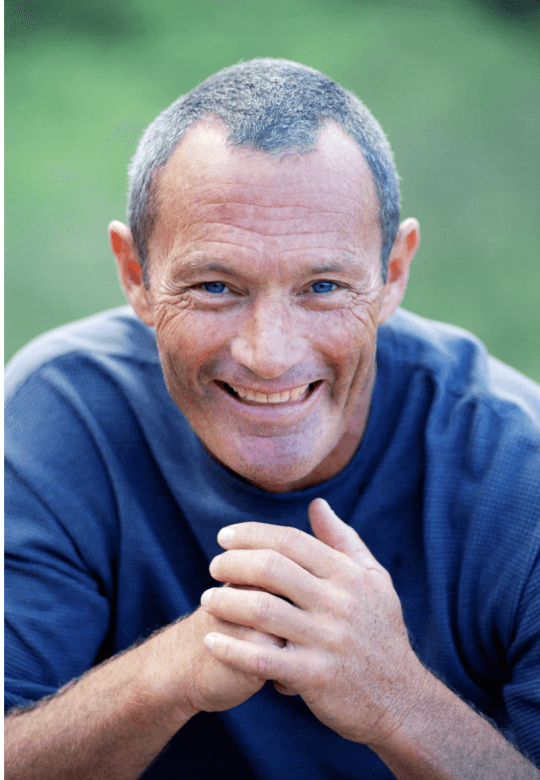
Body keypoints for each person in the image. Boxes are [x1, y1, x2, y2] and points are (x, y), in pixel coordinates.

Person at [4, 59, 540, 780]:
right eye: (216, 285)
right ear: (135, 274)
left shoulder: (520, 470)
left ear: (393, 274)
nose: (268, 354)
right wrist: (173, 669)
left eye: (322, 286)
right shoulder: (59, 413)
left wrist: (399, 702)